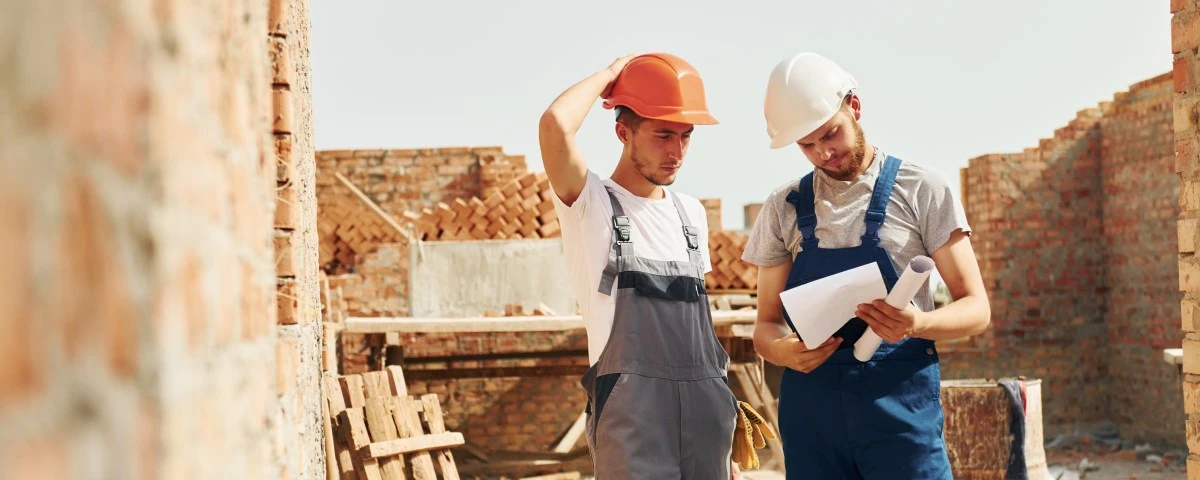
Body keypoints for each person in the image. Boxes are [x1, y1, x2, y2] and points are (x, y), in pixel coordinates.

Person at [741, 52, 992, 479]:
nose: (823, 152)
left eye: (830, 133)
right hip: (813, 423)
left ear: (854, 107)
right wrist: (782, 351)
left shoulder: (922, 189)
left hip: (900, 420)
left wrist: (916, 323)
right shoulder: (783, 207)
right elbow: (765, 326)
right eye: (806, 145)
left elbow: (976, 310)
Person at [538, 53, 740, 479]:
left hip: (708, 418)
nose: (676, 151)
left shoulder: (692, 215)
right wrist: (612, 76)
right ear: (623, 131)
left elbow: (699, 340)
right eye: (663, 135)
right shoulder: (590, 204)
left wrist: (725, 439)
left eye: (686, 136)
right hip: (634, 423)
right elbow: (556, 123)